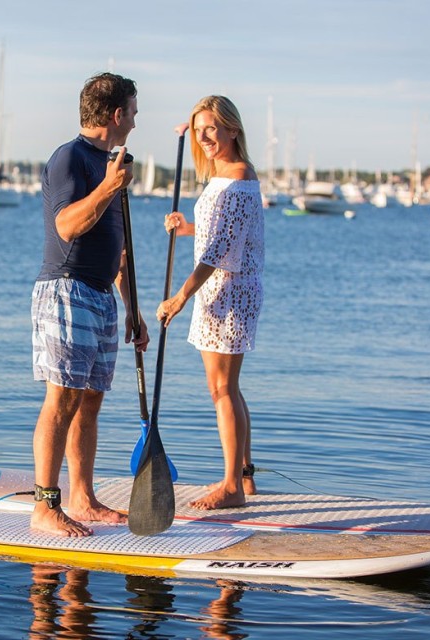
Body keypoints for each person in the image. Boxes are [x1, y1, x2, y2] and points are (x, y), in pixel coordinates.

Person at [31, 72, 149, 537]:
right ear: (117, 114)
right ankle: (45, 505)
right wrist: (108, 187)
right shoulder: (71, 158)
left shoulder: (111, 164)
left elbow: (117, 252)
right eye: (134, 113)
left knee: (90, 402)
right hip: (66, 288)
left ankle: (82, 497)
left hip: (101, 294)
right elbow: (66, 225)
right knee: (61, 398)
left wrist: (133, 308)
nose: (136, 124)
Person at [155, 95, 264, 510]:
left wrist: (180, 296)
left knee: (222, 389)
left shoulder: (236, 178)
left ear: (233, 130)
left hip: (227, 292)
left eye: (211, 129)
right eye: (198, 131)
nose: (203, 138)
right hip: (222, 288)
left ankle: (232, 487)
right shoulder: (226, 176)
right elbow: (221, 233)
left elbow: (219, 249)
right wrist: (187, 227)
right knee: (228, 388)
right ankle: (245, 476)